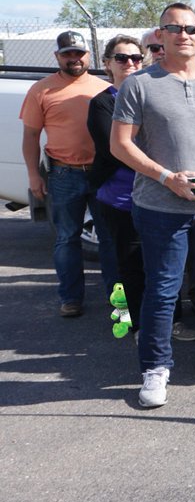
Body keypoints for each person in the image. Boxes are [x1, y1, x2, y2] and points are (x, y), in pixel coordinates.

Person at [111, 3, 195, 408]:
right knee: (164, 289)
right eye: (175, 28)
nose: (184, 34)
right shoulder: (140, 84)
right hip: (160, 207)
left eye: (191, 28)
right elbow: (120, 144)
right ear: (161, 35)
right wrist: (165, 177)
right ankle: (155, 368)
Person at [21, 29, 114, 317]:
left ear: (89, 55)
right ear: (57, 57)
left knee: (110, 239)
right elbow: (31, 136)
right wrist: (34, 176)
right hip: (64, 174)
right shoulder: (42, 90)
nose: (74, 58)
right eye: (67, 54)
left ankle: (118, 299)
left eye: (78, 53)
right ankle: (71, 298)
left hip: (103, 174)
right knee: (66, 238)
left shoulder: (104, 88)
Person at [86, 35, 145, 334]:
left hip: (155, 197)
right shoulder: (102, 102)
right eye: (122, 58)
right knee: (124, 264)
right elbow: (116, 150)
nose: (130, 64)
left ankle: (161, 320)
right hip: (120, 198)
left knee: (156, 265)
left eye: (136, 58)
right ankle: (127, 320)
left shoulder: (149, 95)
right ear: (108, 64)